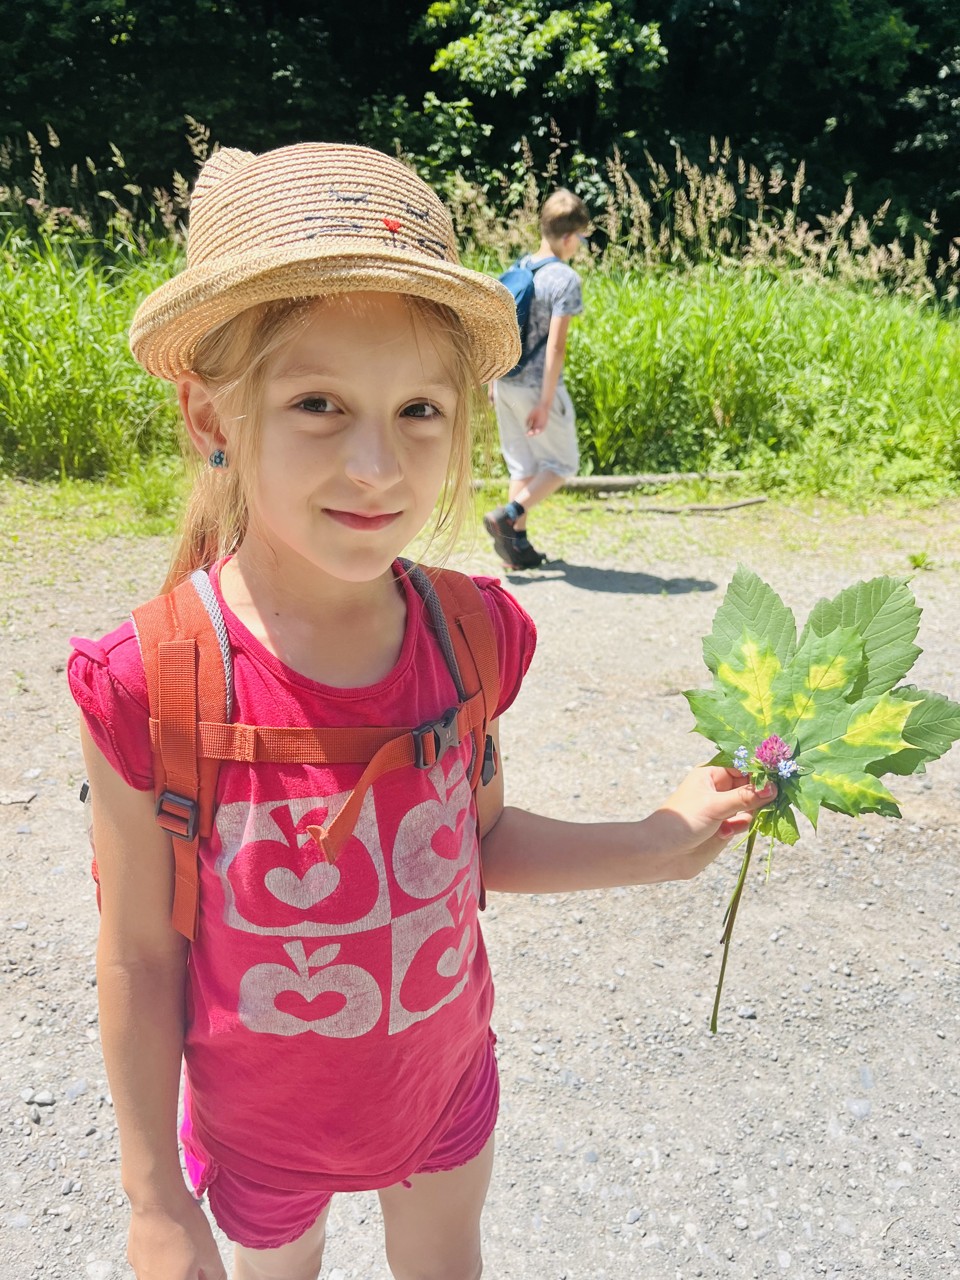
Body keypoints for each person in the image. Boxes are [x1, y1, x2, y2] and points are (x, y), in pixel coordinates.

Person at [67, 142, 775, 1280]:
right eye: (317, 403)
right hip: (259, 1130)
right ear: (208, 411)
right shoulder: (151, 680)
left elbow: (475, 842)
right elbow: (143, 958)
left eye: (419, 410)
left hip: (443, 1093)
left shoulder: (469, 634)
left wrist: (659, 839)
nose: (377, 465)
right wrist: (153, 1199)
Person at [484, 188, 590, 570]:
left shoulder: (521, 267)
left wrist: (493, 381)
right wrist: (546, 402)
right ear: (568, 237)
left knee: (522, 466)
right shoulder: (565, 279)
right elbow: (556, 347)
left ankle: (517, 550)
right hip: (535, 388)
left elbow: (500, 331)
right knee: (563, 465)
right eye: (581, 238)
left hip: (506, 382)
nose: (580, 245)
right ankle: (510, 514)